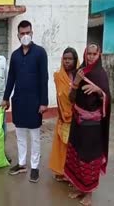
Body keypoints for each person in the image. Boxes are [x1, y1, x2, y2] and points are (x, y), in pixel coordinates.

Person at [64, 43, 111, 206]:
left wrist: (99, 91)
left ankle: (89, 194)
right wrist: (76, 82)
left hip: (92, 126)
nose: (90, 57)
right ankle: (79, 188)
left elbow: (107, 99)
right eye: (88, 54)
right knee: (76, 155)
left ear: (99, 55)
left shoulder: (101, 75)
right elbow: (71, 98)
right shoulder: (80, 72)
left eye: (94, 54)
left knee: (88, 159)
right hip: (77, 122)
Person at [2, 20, 48, 183]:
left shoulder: (40, 53)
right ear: (17, 35)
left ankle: (34, 167)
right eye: (22, 33)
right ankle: (22, 164)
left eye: (28, 32)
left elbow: (44, 78)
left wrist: (44, 102)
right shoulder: (15, 55)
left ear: (32, 33)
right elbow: (11, 79)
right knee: (20, 134)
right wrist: (6, 98)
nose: (25, 35)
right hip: (19, 101)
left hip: (35, 102)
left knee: (34, 136)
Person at [48, 47, 79, 181]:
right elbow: (59, 96)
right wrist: (61, 115)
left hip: (77, 117)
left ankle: (73, 174)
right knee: (62, 146)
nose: (67, 62)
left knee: (73, 148)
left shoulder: (80, 76)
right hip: (63, 117)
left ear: (75, 60)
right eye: (65, 59)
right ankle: (62, 171)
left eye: (70, 59)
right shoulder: (58, 76)